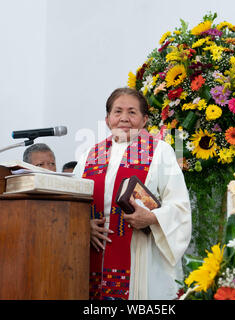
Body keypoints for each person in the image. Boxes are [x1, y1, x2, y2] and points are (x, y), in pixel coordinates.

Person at [73, 87, 191, 300]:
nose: (124, 118)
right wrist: (83, 227)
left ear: (145, 119)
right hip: (93, 254)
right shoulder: (89, 156)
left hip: (140, 250)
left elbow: (180, 206)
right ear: (108, 119)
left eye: (132, 112)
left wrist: (152, 218)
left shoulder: (160, 152)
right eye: (117, 112)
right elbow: (72, 203)